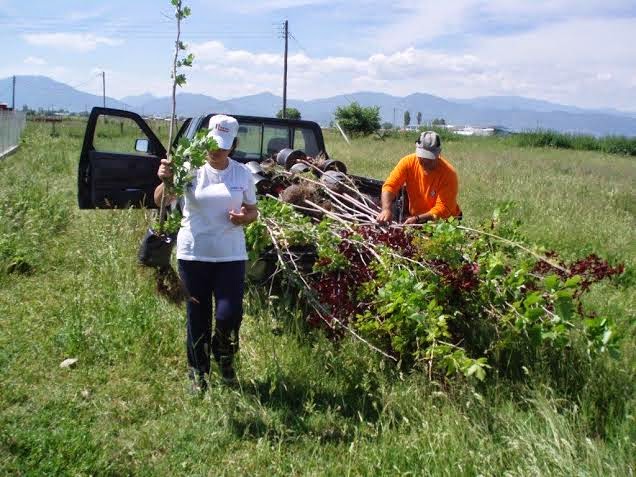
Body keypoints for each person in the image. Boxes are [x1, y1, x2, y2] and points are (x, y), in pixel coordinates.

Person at [154, 114, 258, 391]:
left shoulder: (242, 173)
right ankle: (198, 373)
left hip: (231, 256)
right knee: (197, 317)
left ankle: (224, 356)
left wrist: (244, 218)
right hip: (193, 254)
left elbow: (253, 211)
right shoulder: (190, 167)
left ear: (233, 145)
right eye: (213, 144)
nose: (216, 151)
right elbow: (162, 200)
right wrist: (165, 179)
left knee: (229, 314)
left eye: (223, 146)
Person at [376, 131, 461, 224]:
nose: (425, 162)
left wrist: (417, 219)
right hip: (418, 218)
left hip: (447, 221)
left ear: (438, 153)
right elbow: (390, 186)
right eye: (422, 157)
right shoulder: (408, 162)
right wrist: (386, 209)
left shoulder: (448, 174)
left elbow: (443, 209)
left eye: (430, 158)